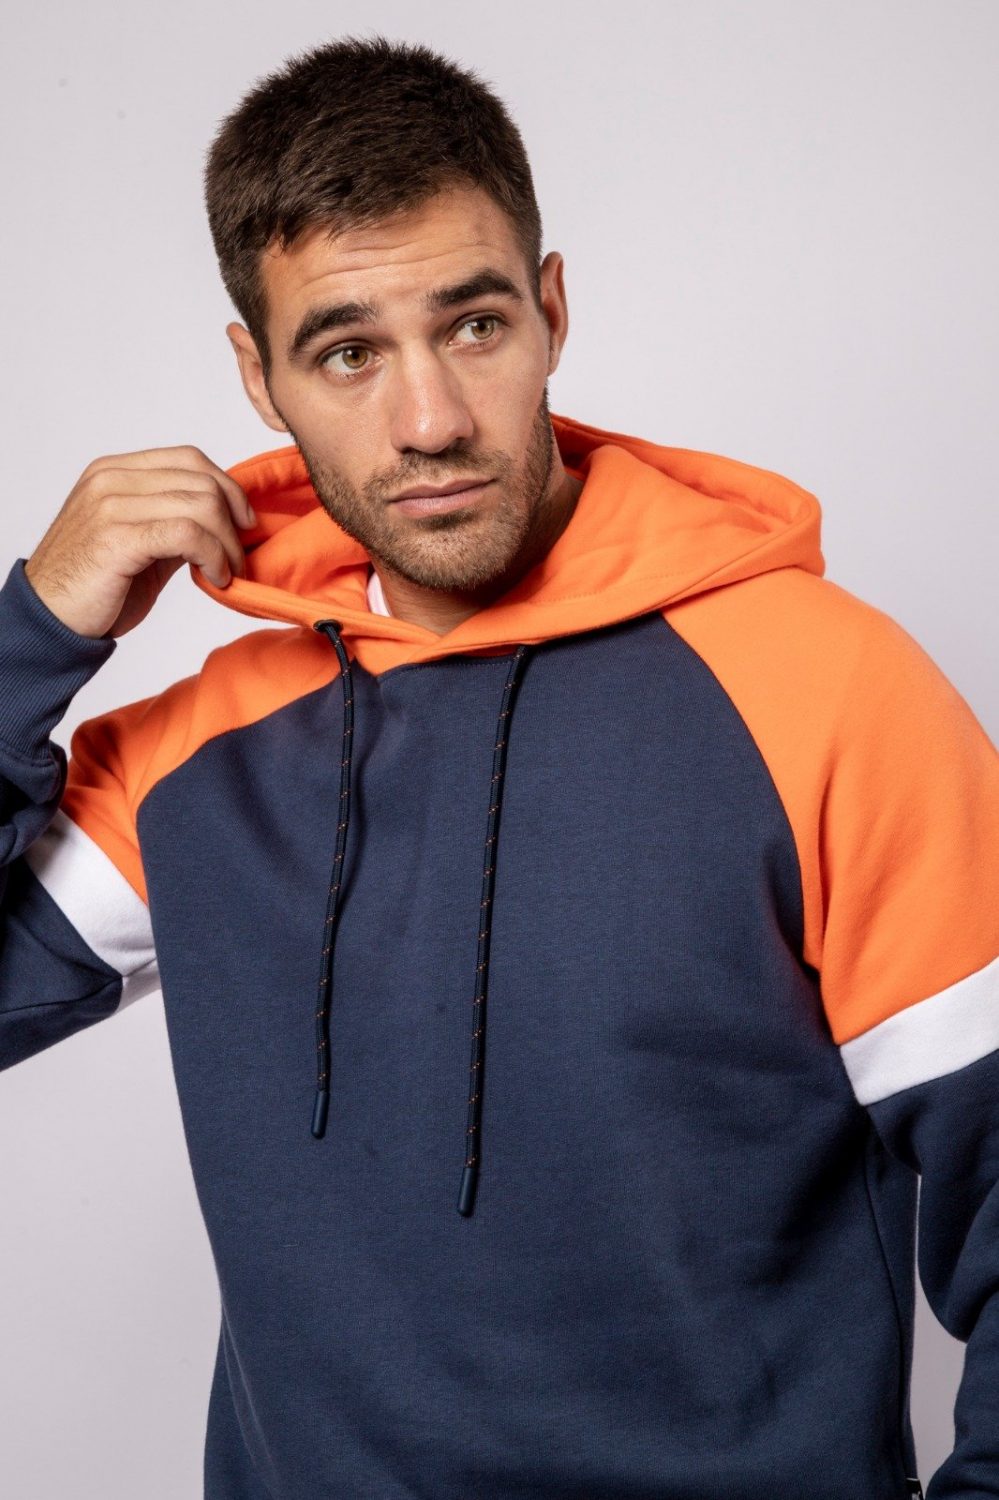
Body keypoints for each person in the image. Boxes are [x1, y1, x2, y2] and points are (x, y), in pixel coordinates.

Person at [1, 32, 995, 1500]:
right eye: (348, 352)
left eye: (473, 325)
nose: (432, 422)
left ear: (551, 311)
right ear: (259, 378)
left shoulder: (826, 694)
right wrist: (30, 634)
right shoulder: (202, 758)